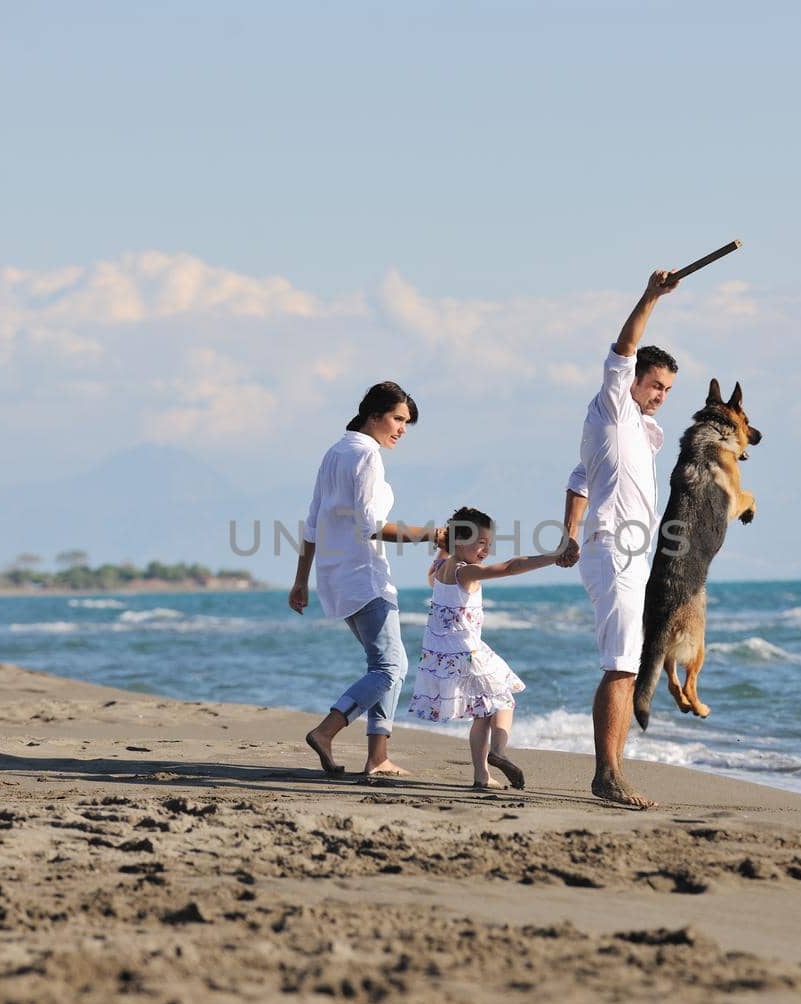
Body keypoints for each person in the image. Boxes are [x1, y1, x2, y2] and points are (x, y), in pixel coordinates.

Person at [558, 269, 681, 808]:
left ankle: (612, 770)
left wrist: (567, 534)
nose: (660, 396)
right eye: (655, 385)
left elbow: (580, 476)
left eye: (667, 390)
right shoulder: (611, 405)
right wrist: (650, 296)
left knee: (627, 662)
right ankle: (606, 775)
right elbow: (623, 347)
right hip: (613, 547)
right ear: (632, 381)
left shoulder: (640, 432)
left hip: (631, 553)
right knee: (621, 664)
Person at [289, 382, 446, 777]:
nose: (402, 429)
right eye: (397, 419)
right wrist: (432, 534)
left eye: (406, 422)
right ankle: (328, 730)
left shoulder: (335, 452)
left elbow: (312, 523)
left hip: (336, 577)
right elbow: (372, 525)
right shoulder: (365, 456)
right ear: (373, 415)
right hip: (364, 576)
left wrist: (301, 580)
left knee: (383, 664)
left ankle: (377, 757)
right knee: (391, 668)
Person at [405, 507, 566, 789]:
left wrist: (443, 549)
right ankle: (499, 752)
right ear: (460, 542)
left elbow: (434, 578)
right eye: (481, 544)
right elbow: (510, 567)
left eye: (489, 545)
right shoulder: (465, 572)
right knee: (504, 700)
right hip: (467, 652)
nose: (486, 551)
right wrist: (552, 557)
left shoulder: (441, 568)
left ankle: (482, 775)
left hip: (443, 655)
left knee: (482, 713)